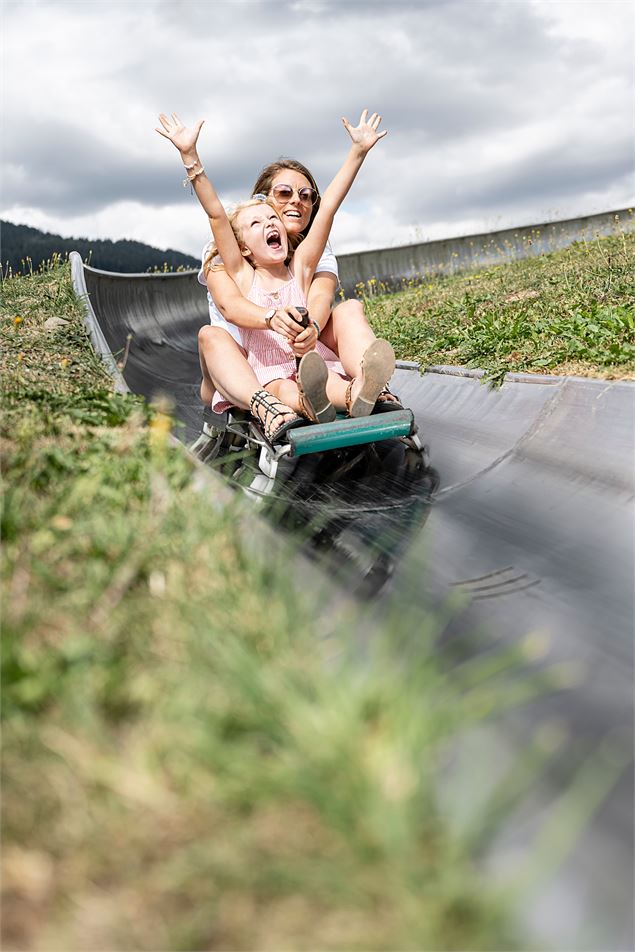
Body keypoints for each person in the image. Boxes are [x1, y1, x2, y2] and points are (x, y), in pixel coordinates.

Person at [157, 110, 397, 441]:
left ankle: (362, 392)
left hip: (307, 363)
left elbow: (328, 208)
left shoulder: (301, 267)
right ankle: (300, 405)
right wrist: (190, 156)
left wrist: (357, 153)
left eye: (272, 220)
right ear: (242, 247)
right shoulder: (239, 271)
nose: (270, 223)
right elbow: (216, 215)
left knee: (326, 379)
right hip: (260, 372)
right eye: (257, 222)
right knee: (284, 389)